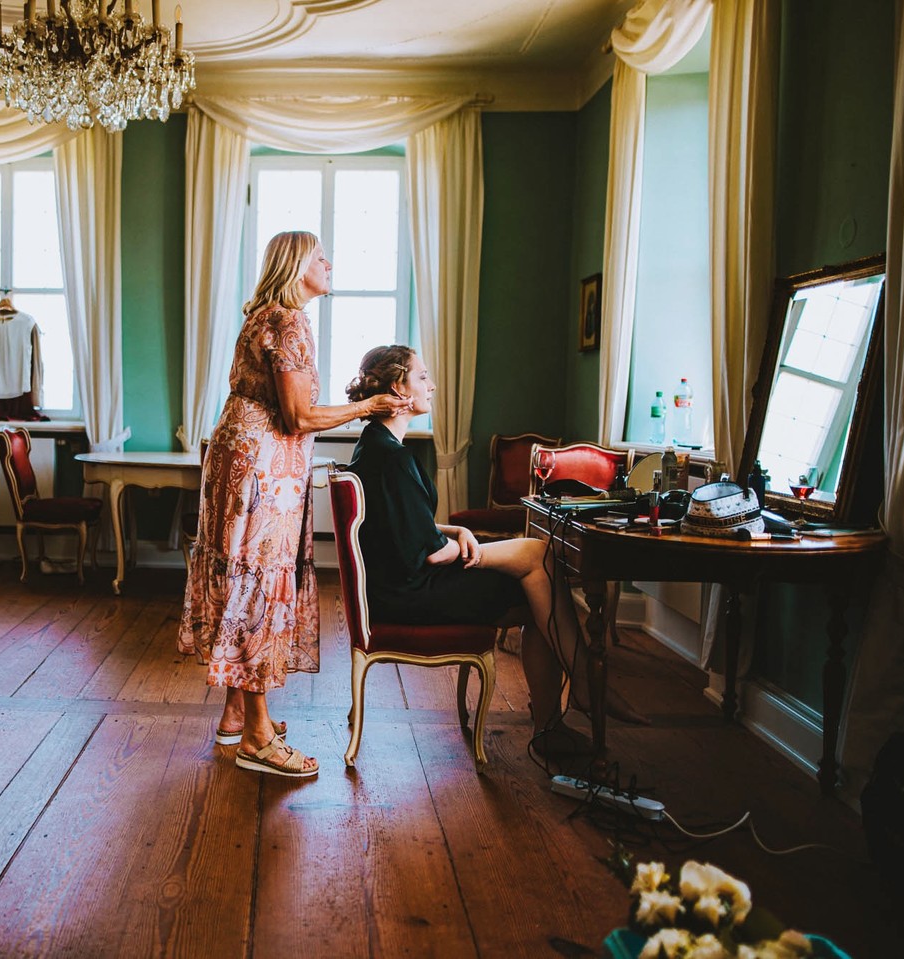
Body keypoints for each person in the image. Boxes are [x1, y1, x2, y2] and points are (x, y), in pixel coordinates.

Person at [178, 231, 412, 778]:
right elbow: (299, 417)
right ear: (295, 265)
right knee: (258, 582)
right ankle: (258, 739)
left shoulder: (263, 316)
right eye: (320, 256)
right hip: (264, 468)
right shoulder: (288, 321)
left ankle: (238, 713)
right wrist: (370, 406)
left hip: (240, 457)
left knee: (242, 577)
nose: (330, 263)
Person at [343, 345, 648, 758]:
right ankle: (579, 693)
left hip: (401, 581)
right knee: (537, 560)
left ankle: (557, 718)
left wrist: (458, 531)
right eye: (422, 377)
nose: (431, 385)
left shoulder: (374, 446)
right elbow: (429, 553)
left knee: (539, 592)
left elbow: (400, 526)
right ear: (398, 388)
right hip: (411, 591)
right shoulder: (392, 457)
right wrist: (470, 547)